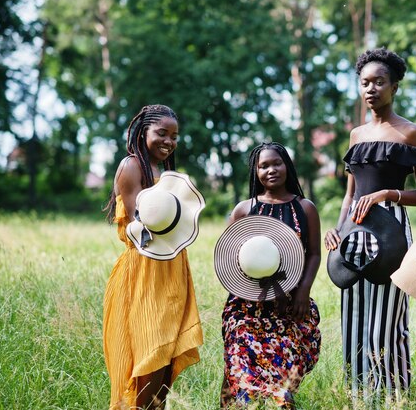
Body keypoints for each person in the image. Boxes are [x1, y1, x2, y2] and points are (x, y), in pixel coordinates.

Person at [324, 48, 416, 400]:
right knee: (354, 322)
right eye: (365, 83)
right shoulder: (356, 135)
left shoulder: (410, 134)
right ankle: (359, 399)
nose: (371, 88)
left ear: (395, 86)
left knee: (384, 326)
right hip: (354, 232)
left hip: (392, 231)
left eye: (379, 82)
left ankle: (394, 399)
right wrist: (338, 230)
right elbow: (350, 194)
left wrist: (389, 193)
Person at [102, 104, 203, 409]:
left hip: (173, 269)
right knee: (149, 351)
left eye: (174, 136)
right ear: (143, 131)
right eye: (162, 133)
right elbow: (138, 226)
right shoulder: (132, 166)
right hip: (144, 272)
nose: (169, 141)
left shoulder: (167, 174)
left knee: (166, 355)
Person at [220, 142, 322, 409]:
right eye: (263, 166)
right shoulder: (244, 209)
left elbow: (313, 254)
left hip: (290, 305)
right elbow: (229, 255)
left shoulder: (305, 207)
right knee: (242, 377)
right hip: (247, 306)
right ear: (256, 172)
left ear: (287, 165)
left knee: (282, 387)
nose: (271, 170)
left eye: (277, 163)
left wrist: (303, 292)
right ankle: (240, 398)